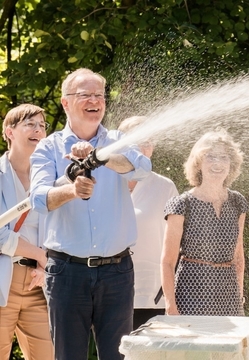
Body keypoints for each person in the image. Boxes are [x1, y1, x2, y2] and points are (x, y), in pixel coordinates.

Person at [29, 68, 152, 360]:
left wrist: (101, 156)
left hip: (117, 272)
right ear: (65, 102)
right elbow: (38, 198)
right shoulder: (48, 147)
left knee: (119, 356)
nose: (94, 100)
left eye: (99, 95)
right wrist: (73, 190)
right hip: (67, 273)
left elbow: (142, 169)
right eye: (85, 95)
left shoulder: (119, 140)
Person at [161, 129, 249, 316]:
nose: (217, 163)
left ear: (231, 163)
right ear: (198, 163)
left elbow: (238, 259)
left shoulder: (238, 202)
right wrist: (170, 305)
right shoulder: (181, 204)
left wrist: (239, 300)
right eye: (210, 156)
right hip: (190, 295)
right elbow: (168, 262)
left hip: (229, 296)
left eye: (223, 157)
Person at [0, 104, 54, 359]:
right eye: (30, 124)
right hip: (2, 280)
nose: (38, 130)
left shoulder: (50, 180)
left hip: (38, 284)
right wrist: (39, 254)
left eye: (42, 125)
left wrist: (45, 265)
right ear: (9, 132)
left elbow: (59, 231)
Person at [118, 116, 179, 329]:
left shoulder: (165, 187)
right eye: (137, 140)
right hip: (109, 290)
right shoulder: (105, 183)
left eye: (148, 141)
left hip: (152, 292)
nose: (144, 147)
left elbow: (176, 244)